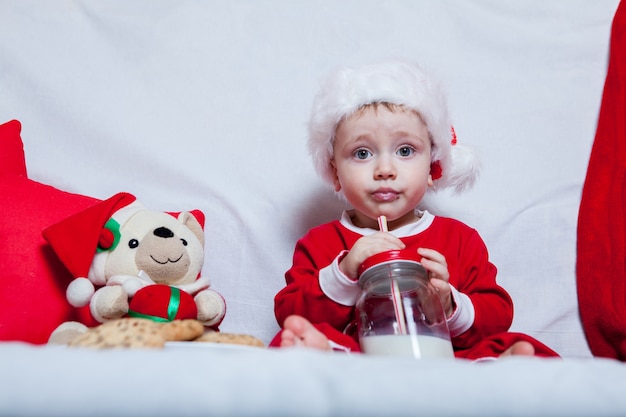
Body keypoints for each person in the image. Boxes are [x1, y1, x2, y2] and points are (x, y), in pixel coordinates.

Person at [270, 59, 559, 360]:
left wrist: (449, 304)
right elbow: (288, 313)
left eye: (405, 151)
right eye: (362, 153)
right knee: (295, 338)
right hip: (361, 364)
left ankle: (506, 369)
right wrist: (342, 274)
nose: (384, 169)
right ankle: (322, 354)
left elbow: (498, 314)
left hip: (442, 360)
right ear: (335, 172)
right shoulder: (320, 243)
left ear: (433, 165)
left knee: (515, 344)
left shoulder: (459, 239)